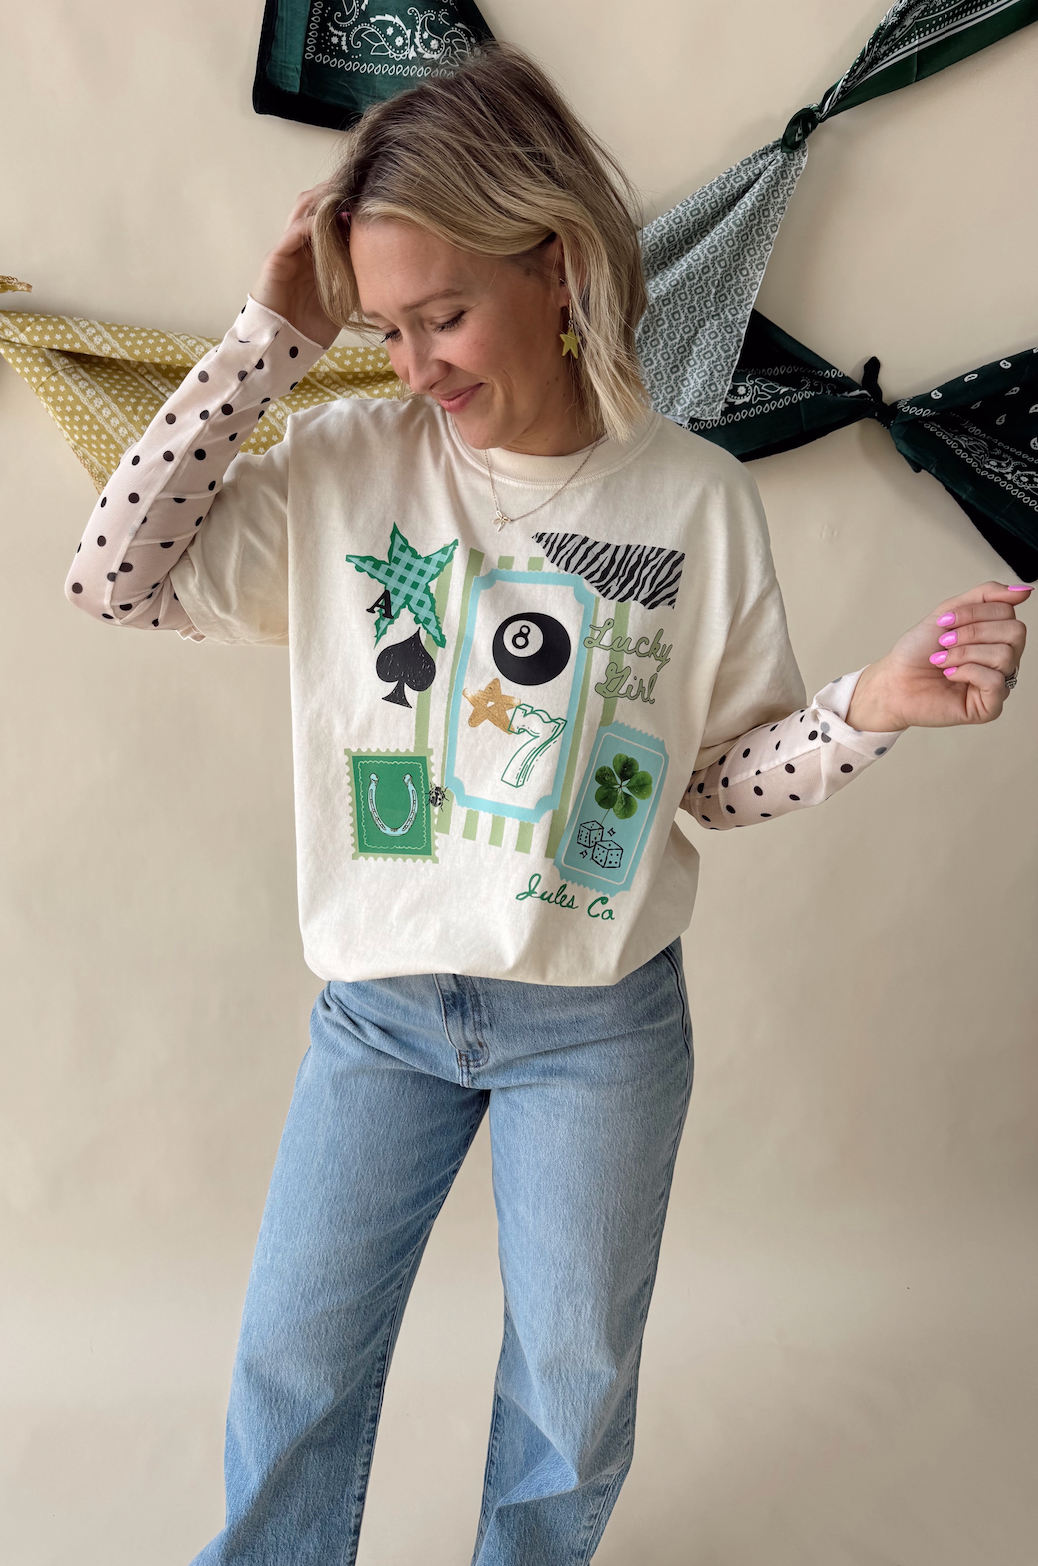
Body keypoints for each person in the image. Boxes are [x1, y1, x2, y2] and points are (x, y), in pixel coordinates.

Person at [63, 44, 1028, 1566]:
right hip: (382, 1009)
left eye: (441, 315)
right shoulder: (344, 468)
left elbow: (712, 780)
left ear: (559, 266)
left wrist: (871, 707)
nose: (413, 365)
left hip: (597, 1025)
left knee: (571, 1392)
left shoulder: (694, 501)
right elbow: (115, 577)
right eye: (383, 326)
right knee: (296, 1361)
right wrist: (271, 339)